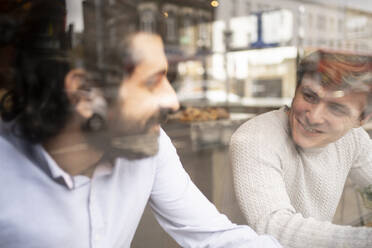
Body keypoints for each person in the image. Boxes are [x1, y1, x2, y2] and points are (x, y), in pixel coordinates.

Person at [0, 1, 282, 247]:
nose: (173, 101)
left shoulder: (150, 143)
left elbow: (215, 236)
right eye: (152, 82)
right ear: (84, 92)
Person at [230, 49, 372, 248]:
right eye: (309, 96)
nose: (313, 116)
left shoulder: (354, 139)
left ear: (362, 119)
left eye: (336, 108)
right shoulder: (255, 137)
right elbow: (274, 228)